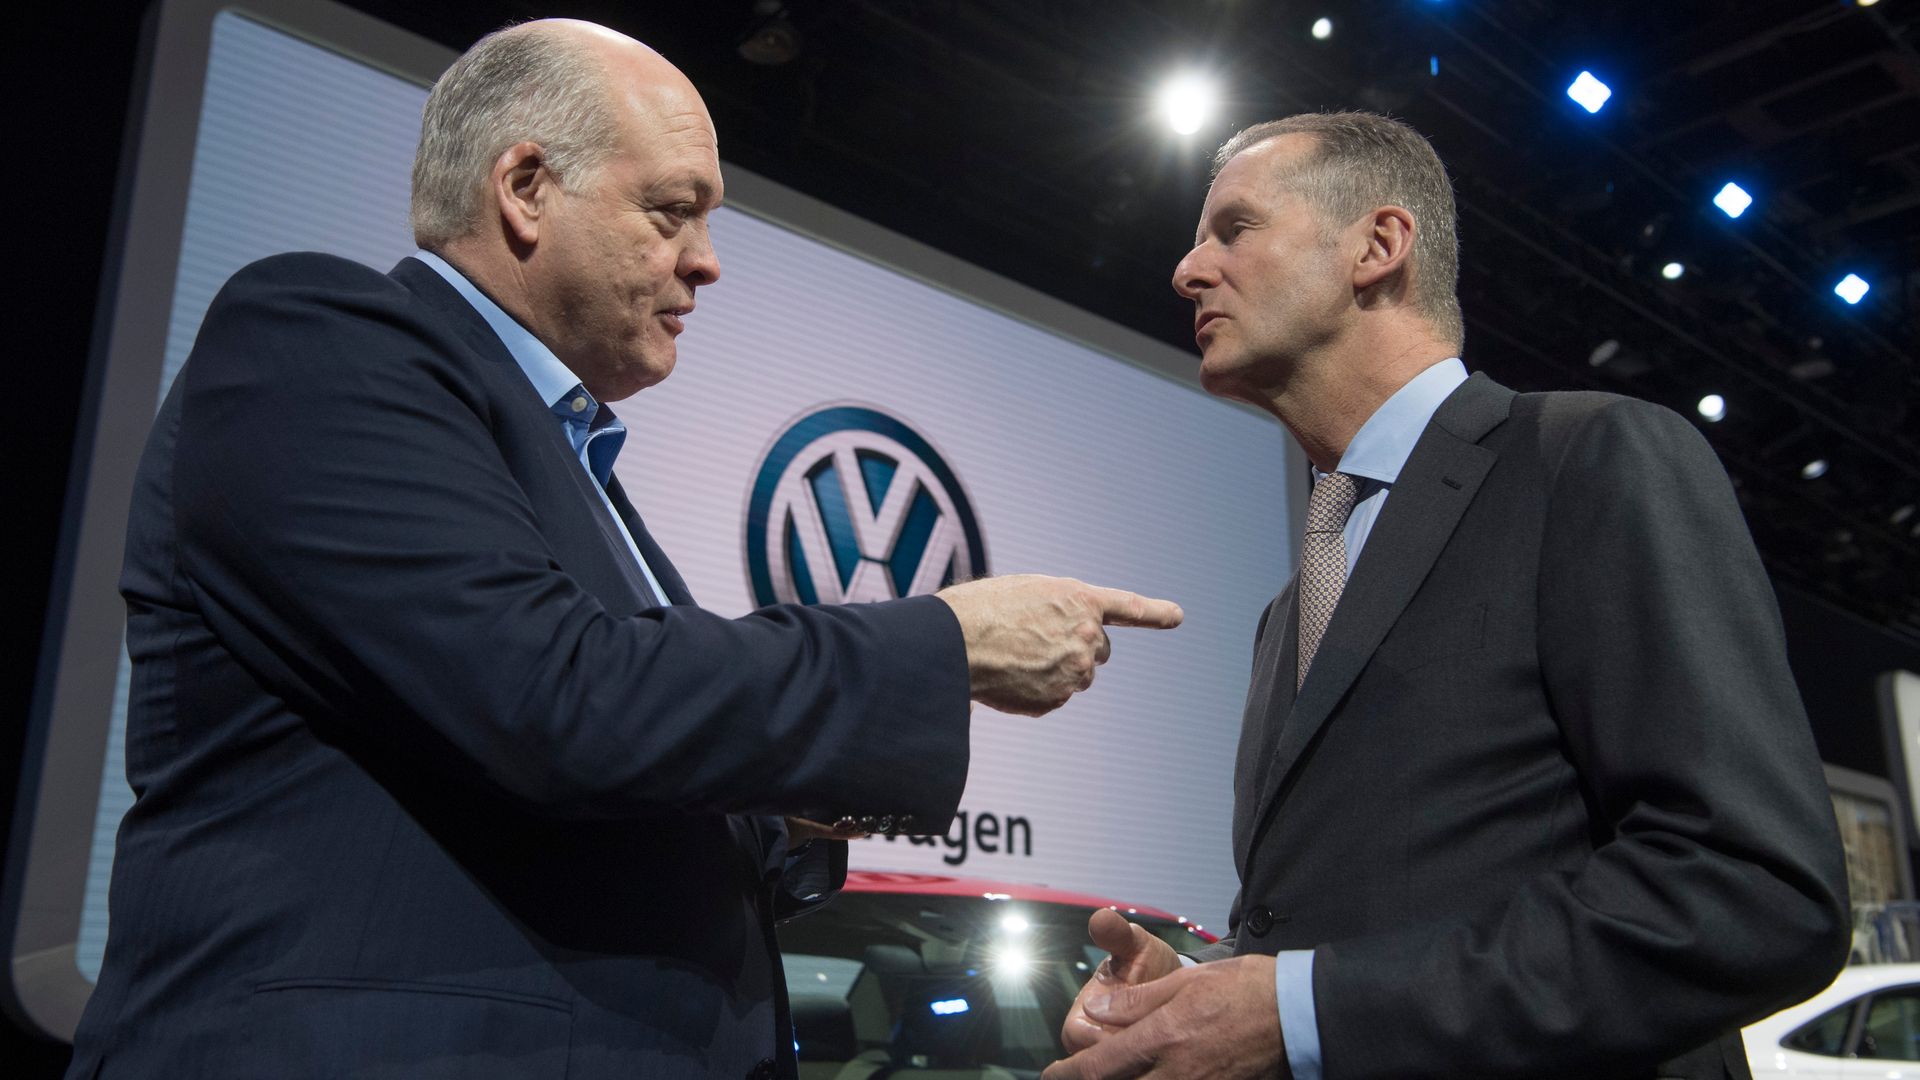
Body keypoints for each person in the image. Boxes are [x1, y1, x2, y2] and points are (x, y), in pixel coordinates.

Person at [66, 20, 1181, 1080]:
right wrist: (942, 639)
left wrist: (783, 816)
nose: (706, 264)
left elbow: (572, 740)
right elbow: (554, 697)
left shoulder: (577, 470)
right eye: (671, 210)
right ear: (525, 189)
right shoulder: (320, 341)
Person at [1045, 112, 1849, 1080]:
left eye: (1234, 229)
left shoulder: (1589, 461)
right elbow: (1373, 917)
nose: (1188, 269)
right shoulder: (1289, 607)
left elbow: (1751, 892)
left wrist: (1301, 1010)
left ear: (1379, 248)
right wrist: (1204, 995)